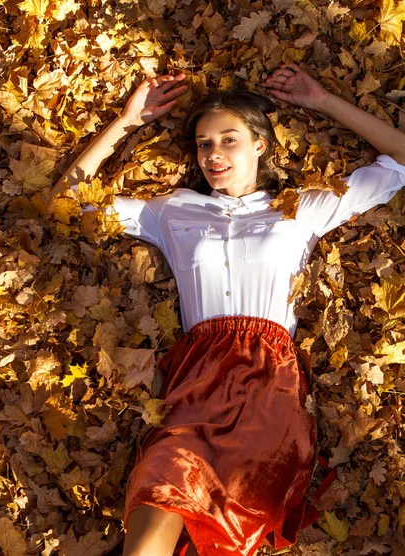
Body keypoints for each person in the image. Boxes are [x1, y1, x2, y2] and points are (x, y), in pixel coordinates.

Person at [47, 64, 405, 556]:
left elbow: (403, 159)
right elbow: (68, 201)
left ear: (260, 143)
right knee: (162, 486)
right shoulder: (173, 210)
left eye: (228, 139)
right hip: (197, 375)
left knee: (228, 528)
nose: (214, 154)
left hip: (269, 380)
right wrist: (127, 121)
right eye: (203, 144)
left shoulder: (302, 207)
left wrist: (322, 100)